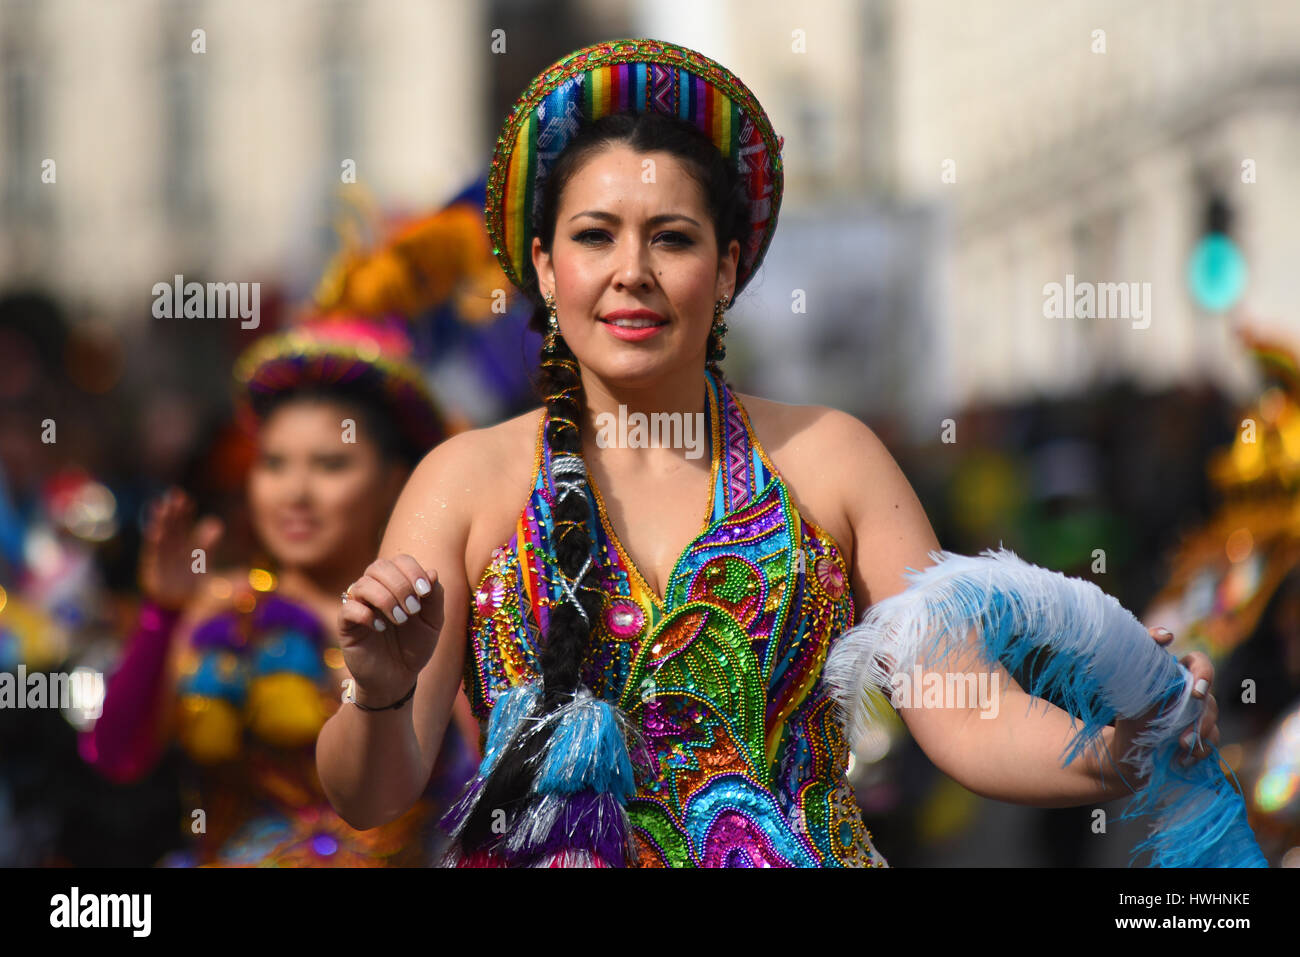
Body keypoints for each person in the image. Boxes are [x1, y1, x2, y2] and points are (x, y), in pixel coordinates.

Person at [316, 38, 1220, 867]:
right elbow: (372, 790)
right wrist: (381, 692)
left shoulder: (833, 459)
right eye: (595, 236)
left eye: (672, 237)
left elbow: (963, 711)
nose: (633, 270)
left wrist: (1117, 747)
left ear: (730, 268)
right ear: (547, 269)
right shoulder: (464, 483)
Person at [81, 316, 478, 866]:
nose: (295, 493)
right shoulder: (219, 610)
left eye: (331, 464)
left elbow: (488, 781)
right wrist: (161, 617)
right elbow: (114, 757)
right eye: (273, 464)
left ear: (394, 480)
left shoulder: (432, 619)